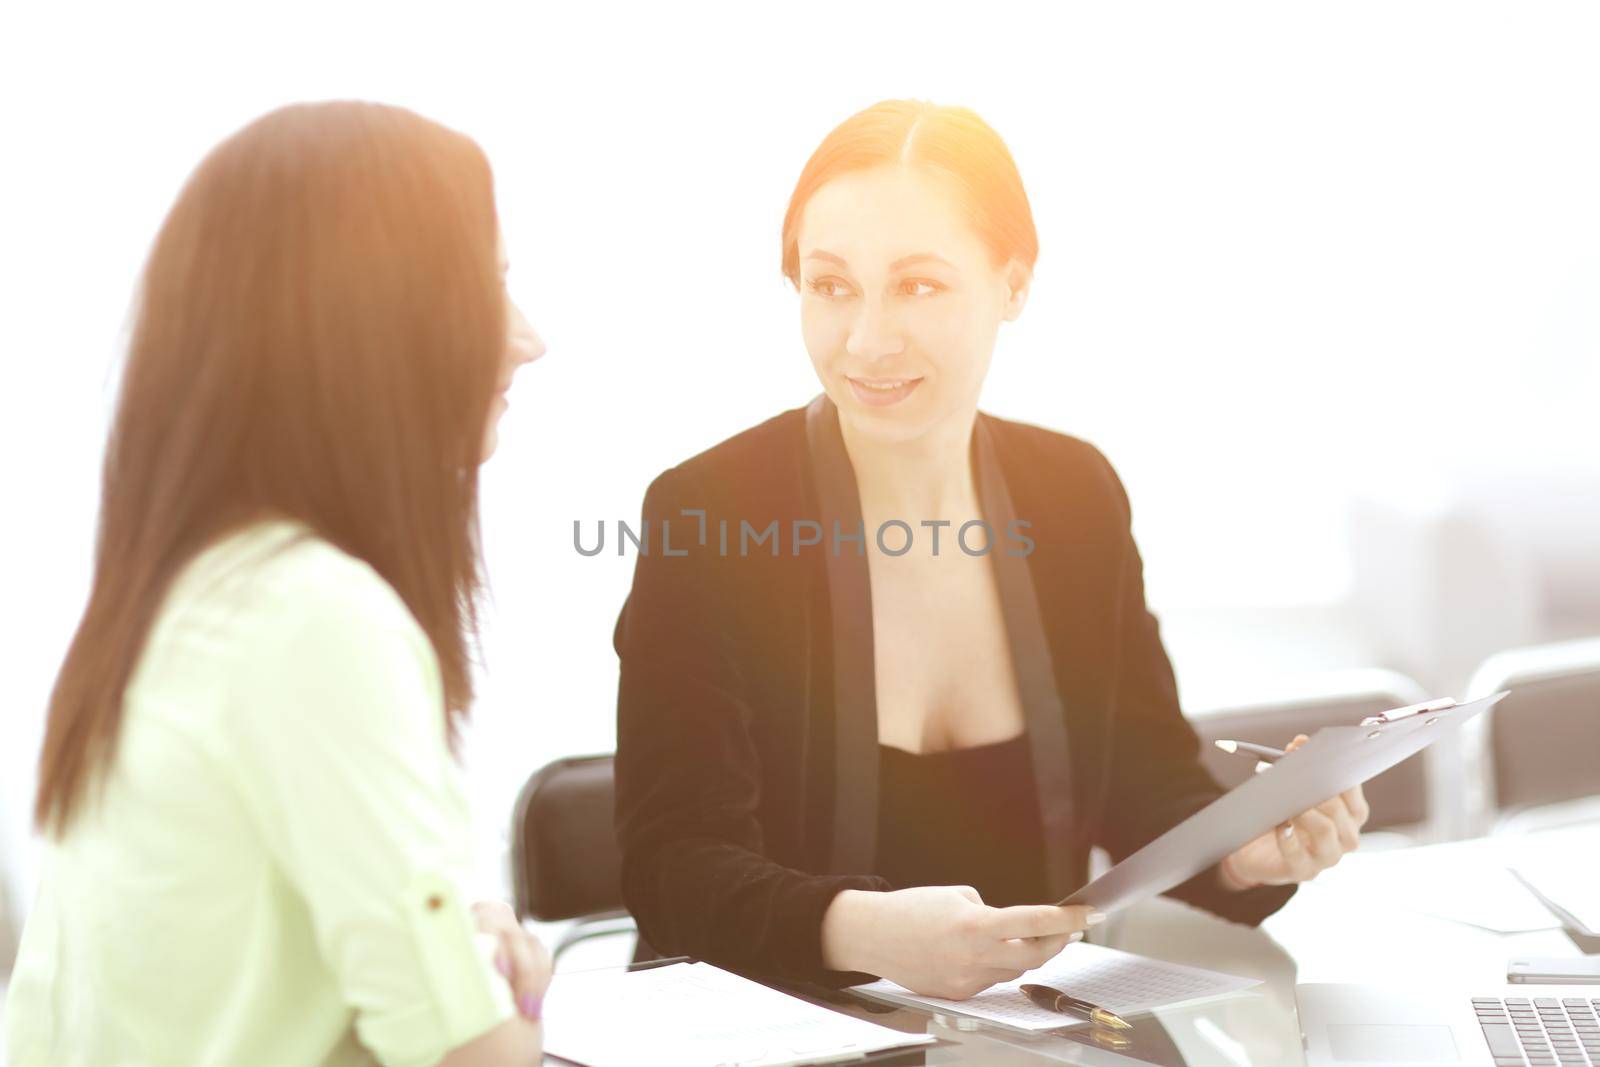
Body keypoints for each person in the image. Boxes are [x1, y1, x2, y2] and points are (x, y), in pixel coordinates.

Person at [612, 99, 1368, 1000]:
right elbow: (673, 868)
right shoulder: (709, 511)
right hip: (770, 1032)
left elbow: (1144, 777)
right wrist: (863, 931)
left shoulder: (1074, 493)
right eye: (831, 285)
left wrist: (1243, 852)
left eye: (919, 285)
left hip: (1026, 1037)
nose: (866, 340)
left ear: (1013, 284)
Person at [5, 101, 550, 1066]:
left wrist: (448, 950)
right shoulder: (314, 619)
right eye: (490, 284)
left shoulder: (180, 600)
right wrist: (513, 1006)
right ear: (375, 321)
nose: (526, 338)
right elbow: (473, 1057)